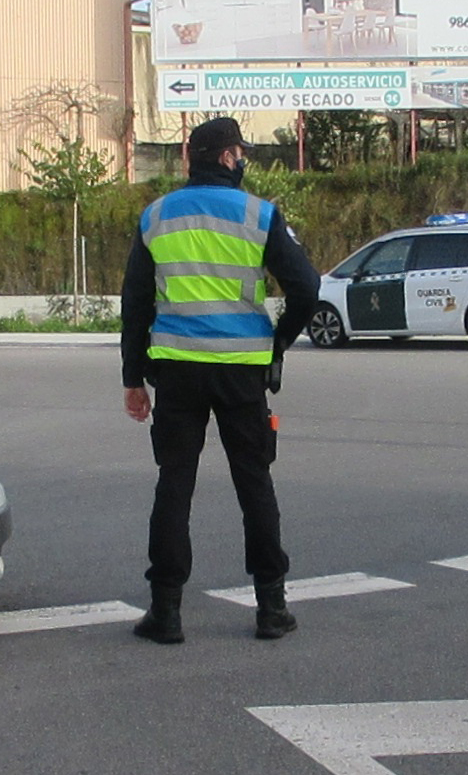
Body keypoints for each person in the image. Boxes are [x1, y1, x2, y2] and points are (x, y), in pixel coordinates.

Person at [120, 116, 320, 644]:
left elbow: (135, 302)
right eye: (241, 153)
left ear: (192, 157)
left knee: (174, 485)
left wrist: (133, 378)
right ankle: (271, 608)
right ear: (230, 157)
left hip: (177, 371)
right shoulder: (259, 214)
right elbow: (307, 287)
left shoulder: (157, 215)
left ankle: (165, 613)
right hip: (241, 371)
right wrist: (277, 342)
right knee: (254, 482)